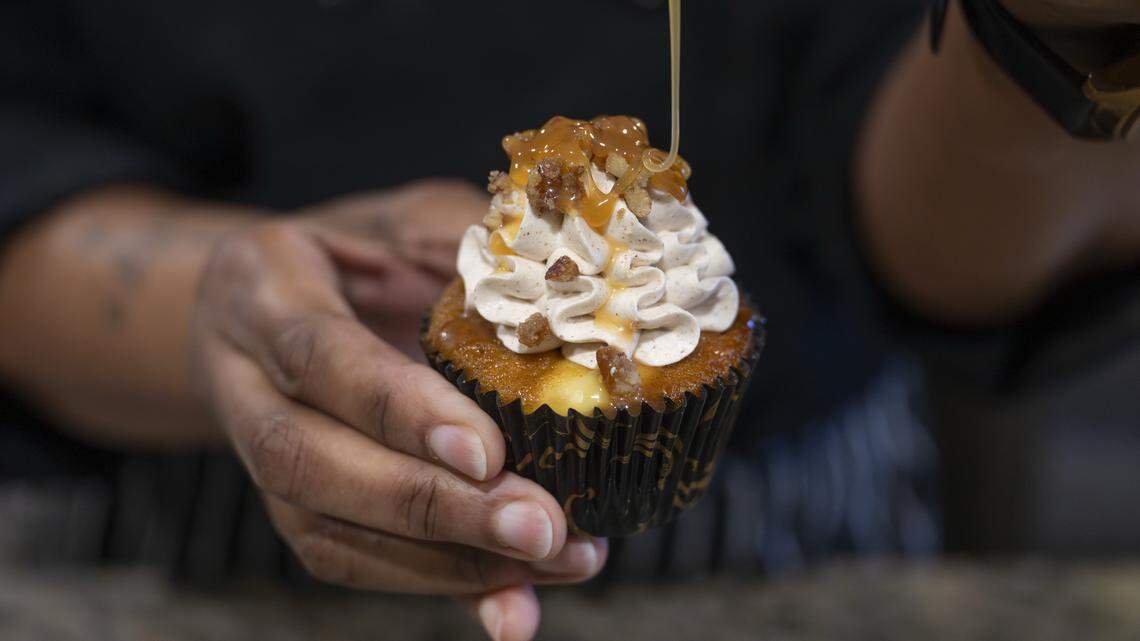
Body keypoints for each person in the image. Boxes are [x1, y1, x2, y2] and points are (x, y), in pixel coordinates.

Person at [1, 1, 1137, 640]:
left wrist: (1047, 38)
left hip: (783, 525)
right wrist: (217, 299)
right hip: (182, 516)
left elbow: (954, 243)